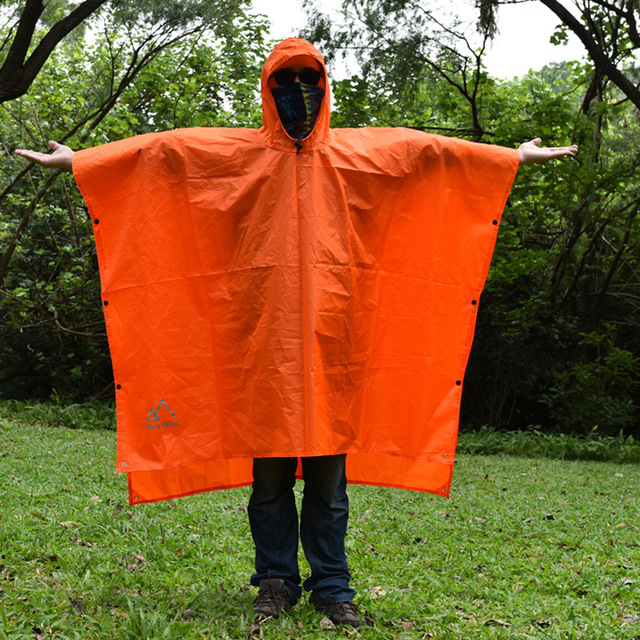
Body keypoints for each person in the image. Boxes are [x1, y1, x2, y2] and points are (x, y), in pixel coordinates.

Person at [15, 38, 577, 630]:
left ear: (326, 86)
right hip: (265, 351)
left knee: (330, 487)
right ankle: (276, 582)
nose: (297, 93)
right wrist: (81, 161)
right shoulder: (237, 153)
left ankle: (333, 587)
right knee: (271, 480)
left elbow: (430, 154)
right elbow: (163, 153)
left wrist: (508, 157)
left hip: (337, 347)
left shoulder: (361, 153)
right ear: (267, 89)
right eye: (284, 82)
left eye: (309, 80)